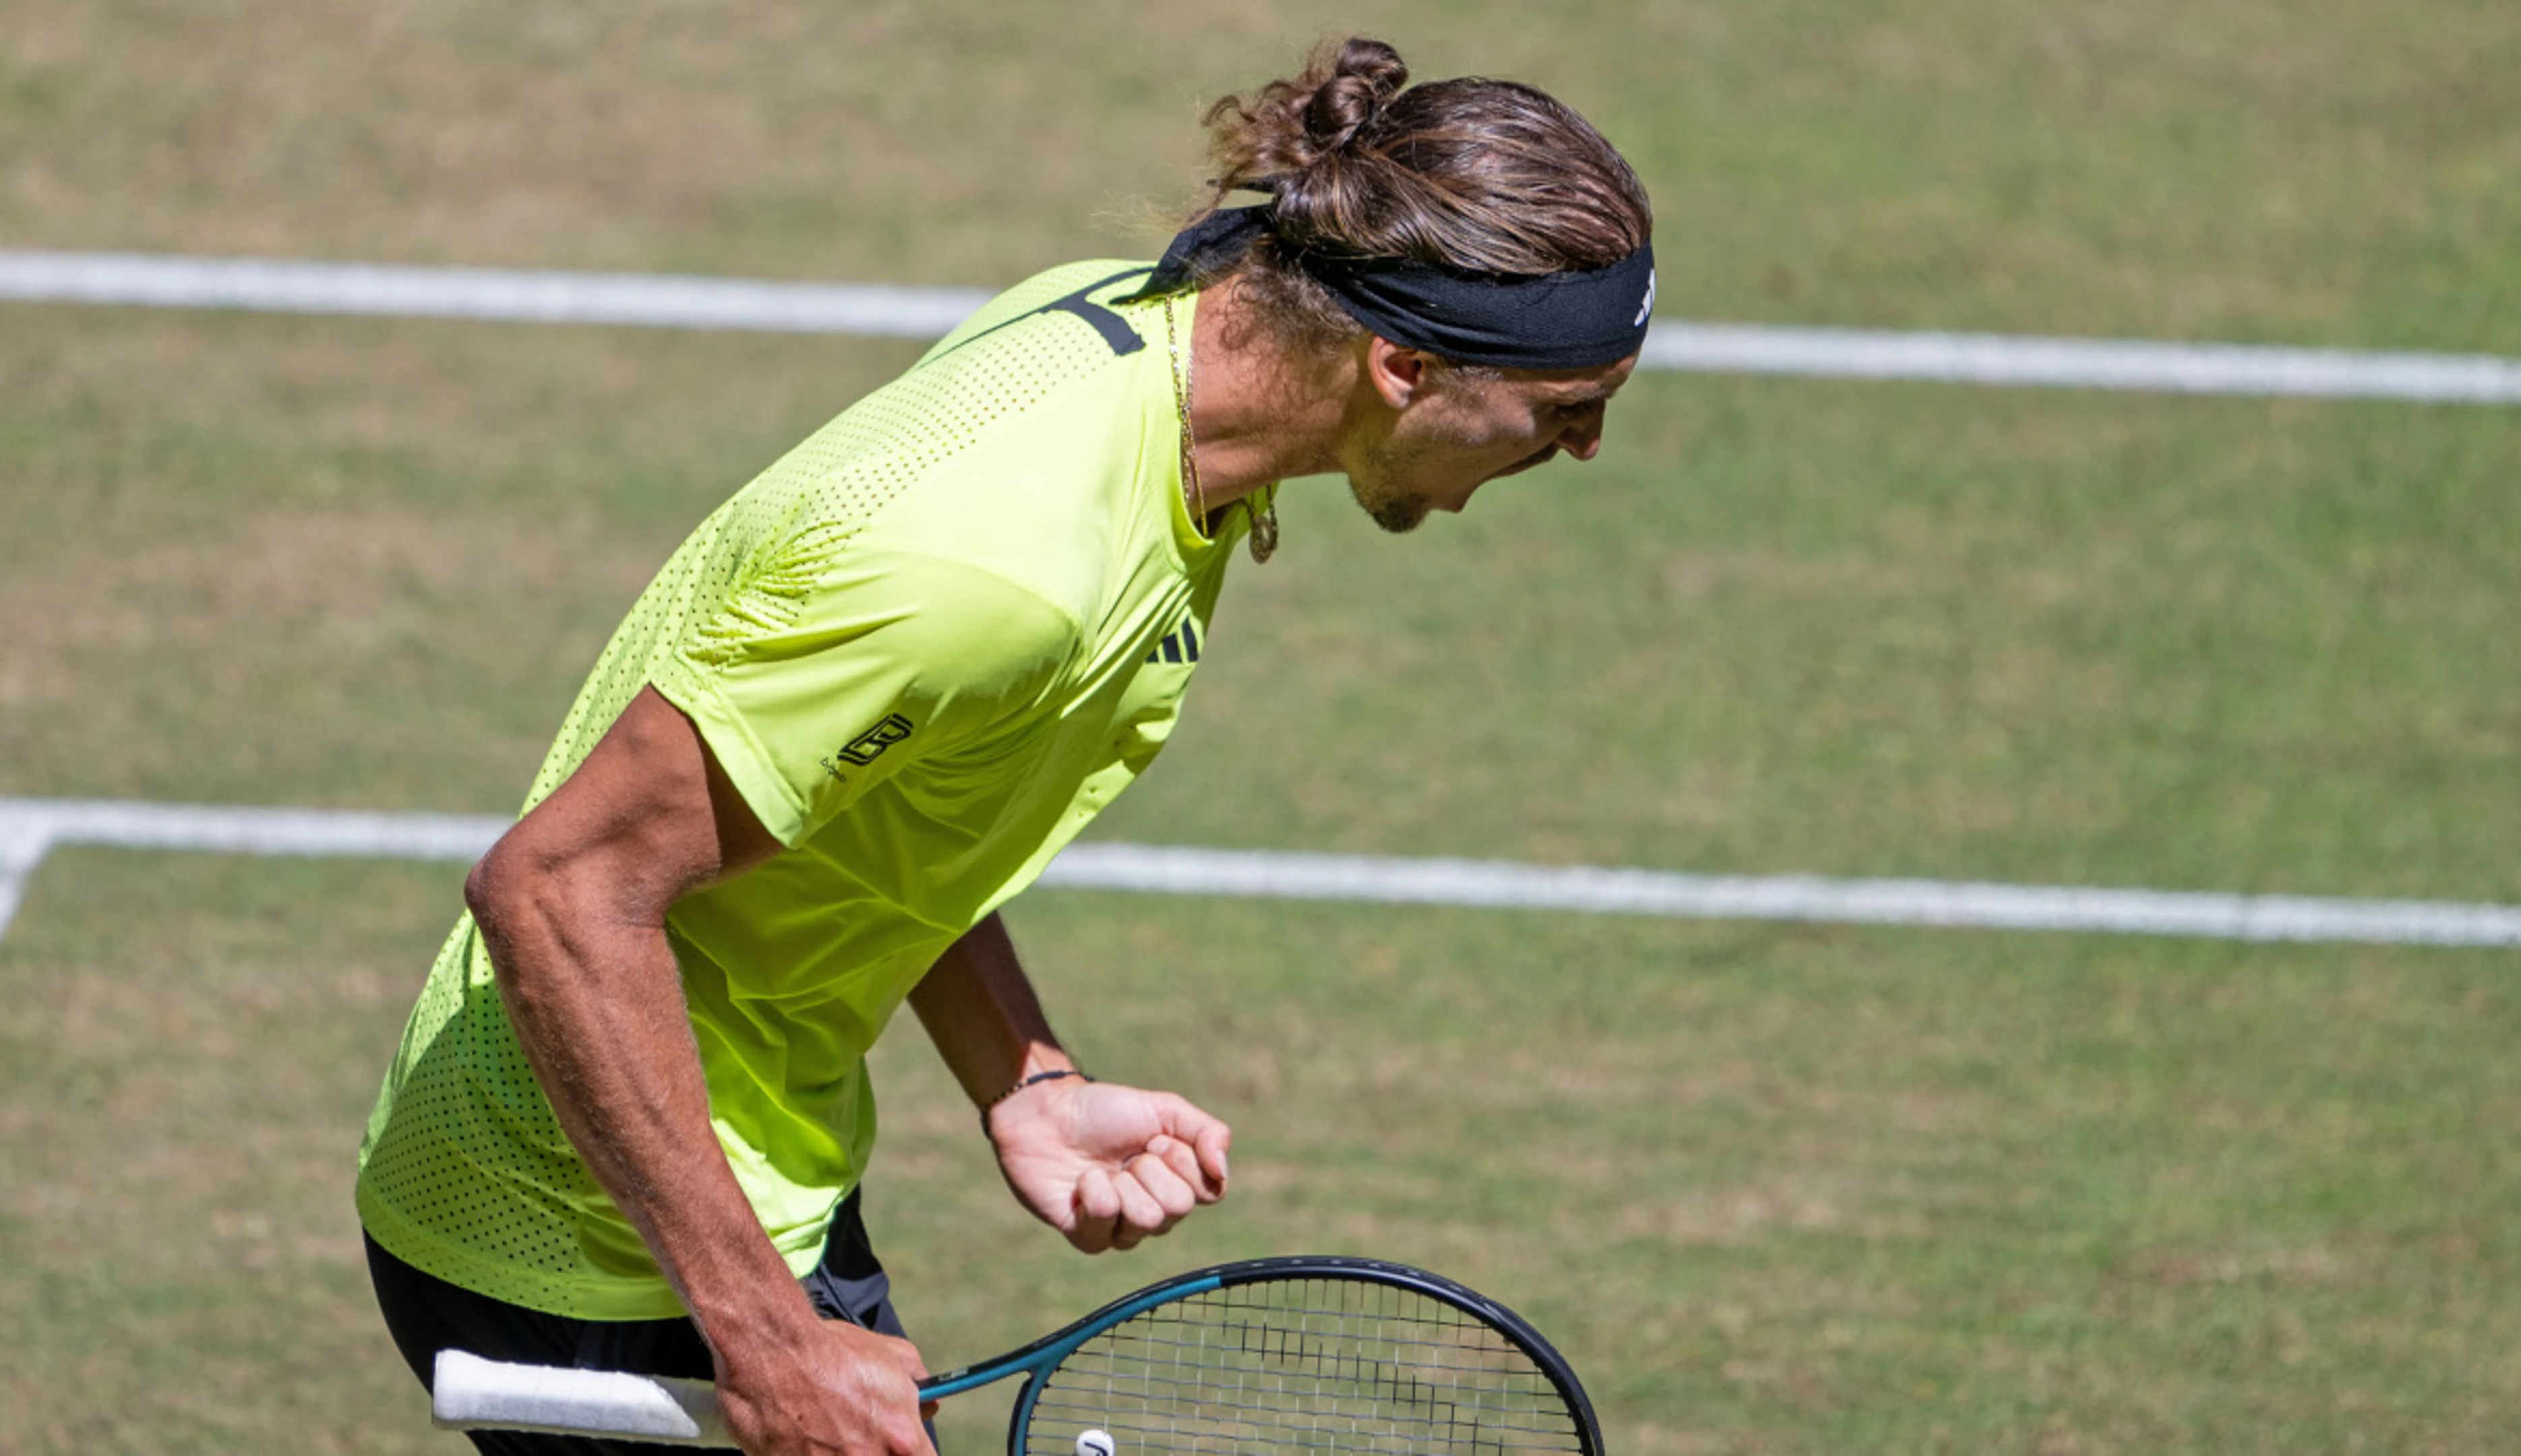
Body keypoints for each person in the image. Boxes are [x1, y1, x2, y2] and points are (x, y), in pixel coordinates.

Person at [355, 35, 1654, 1456]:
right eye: (1565, 411)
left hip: (736, 1161)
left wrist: (1025, 1077)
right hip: (584, 1237)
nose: (1579, 451)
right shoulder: (998, 562)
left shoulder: (1159, 347)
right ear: (1401, 365)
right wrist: (769, 1339)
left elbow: (899, 804)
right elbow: (559, 895)